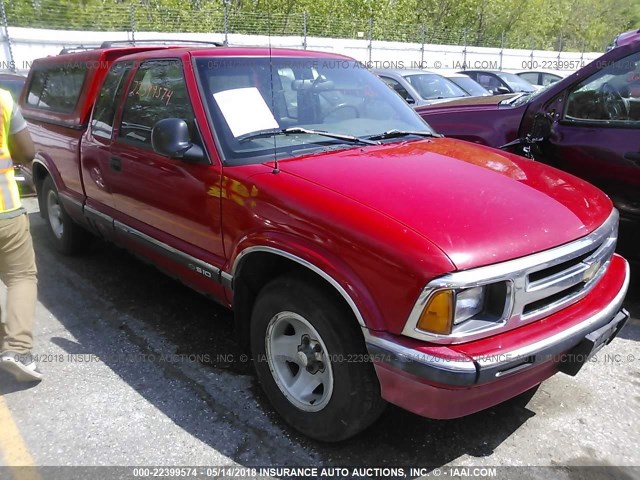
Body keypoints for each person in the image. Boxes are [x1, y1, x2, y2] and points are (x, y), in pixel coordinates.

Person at [0, 86, 40, 382]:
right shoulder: (2, 98)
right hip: (5, 210)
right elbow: (27, 152)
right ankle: (18, 350)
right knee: (21, 277)